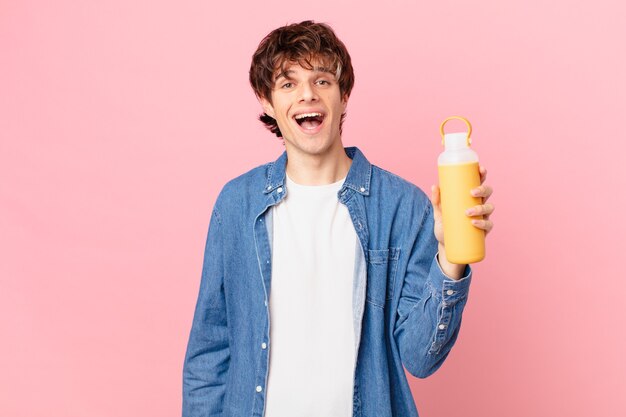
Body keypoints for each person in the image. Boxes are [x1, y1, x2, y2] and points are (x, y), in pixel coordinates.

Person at [182, 20, 494, 417]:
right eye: (288, 83)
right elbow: (209, 351)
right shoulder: (237, 204)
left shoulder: (402, 206)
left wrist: (450, 258)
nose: (307, 95)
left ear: (344, 96)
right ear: (266, 101)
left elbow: (420, 358)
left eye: (323, 81)